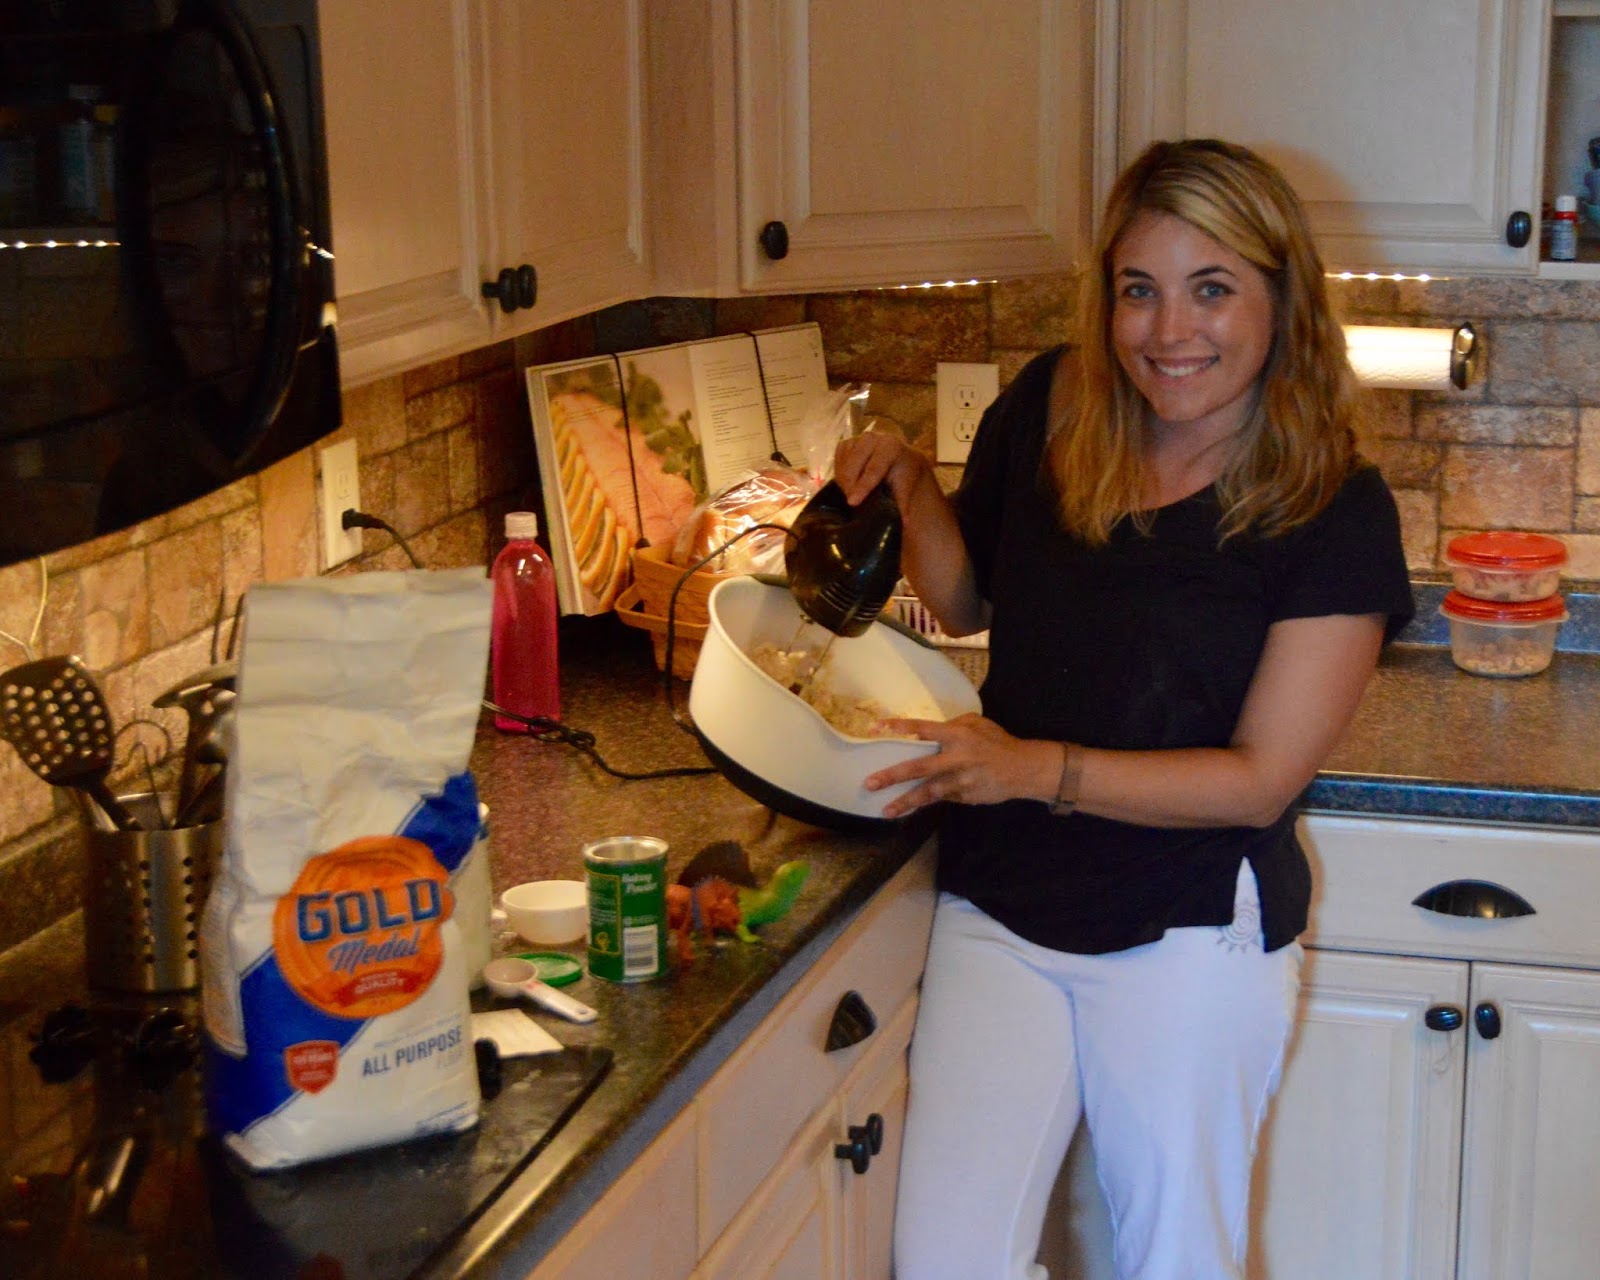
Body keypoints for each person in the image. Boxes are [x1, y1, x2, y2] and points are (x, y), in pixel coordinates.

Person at [832, 138, 1414, 1280]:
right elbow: (967, 599)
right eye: (1139, 290)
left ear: (1281, 298)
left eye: (1212, 289)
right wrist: (909, 483)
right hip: (1004, 900)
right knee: (948, 1258)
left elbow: (1257, 779)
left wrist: (1032, 767)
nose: (1168, 330)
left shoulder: (1333, 506)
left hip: (1187, 928)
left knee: (1176, 1259)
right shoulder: (1056, 402)